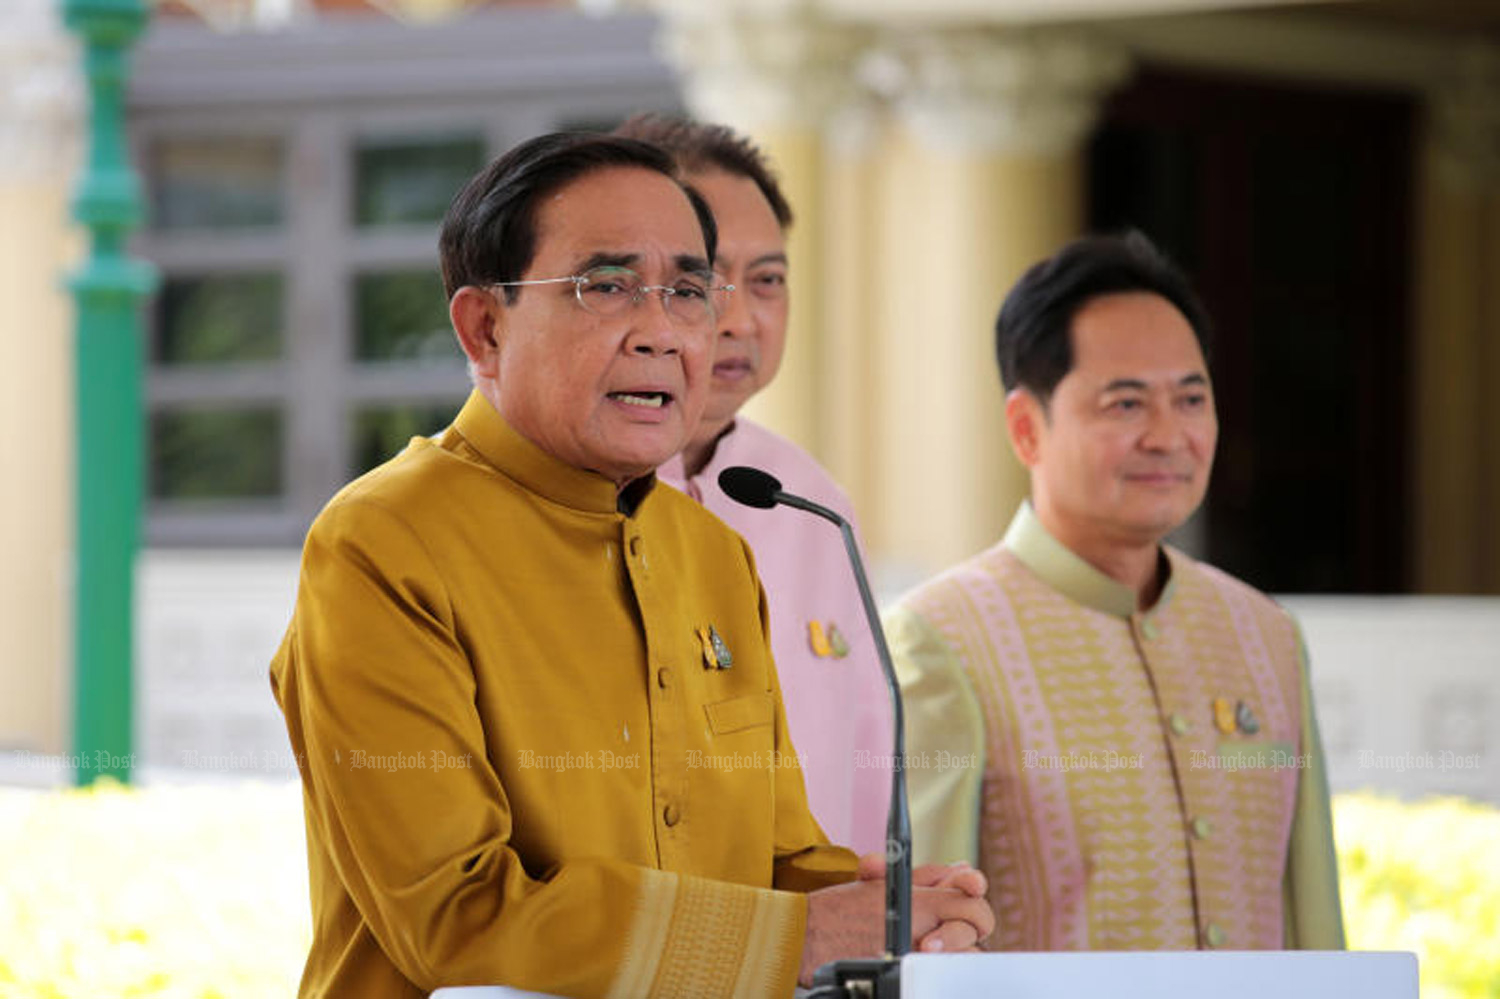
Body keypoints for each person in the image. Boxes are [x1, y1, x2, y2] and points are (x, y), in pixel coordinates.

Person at [270, 132, 992, 999]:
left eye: (688, 291)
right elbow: (455, 918)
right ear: (484, 326)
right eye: (606, 287)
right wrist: (798, 935)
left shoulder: (715, 552)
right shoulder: (381, 543)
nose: (662, 332)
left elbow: (778, 859)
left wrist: (887, 908)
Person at [886, 231, 1345, 952]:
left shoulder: (1265, 634)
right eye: (1126, 404)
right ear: (1026, 427)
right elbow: (924, 952)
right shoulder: (941, 640)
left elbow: (1314, 924)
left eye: (1191, 399)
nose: (1169, 435)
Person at [613, 114, 892, 856]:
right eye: (702, 279)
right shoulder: (573, 492)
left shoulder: (813, 503)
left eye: (766, 280)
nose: (739, 318)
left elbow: (869, 756)